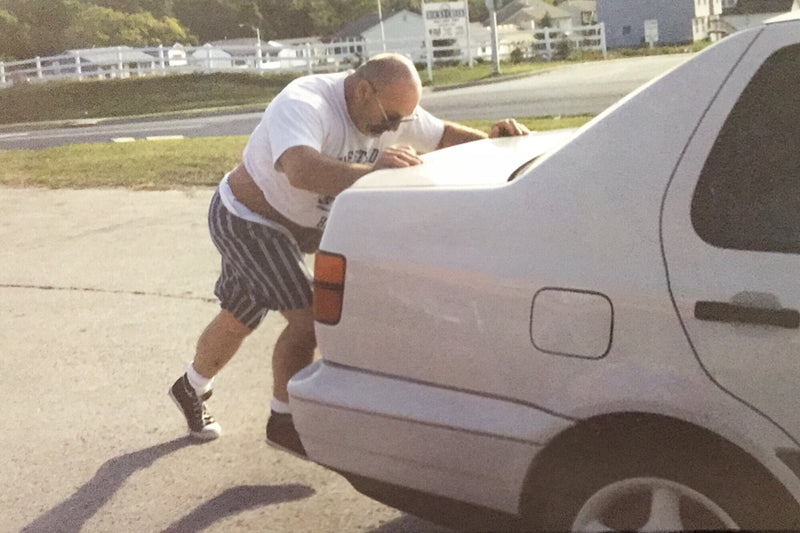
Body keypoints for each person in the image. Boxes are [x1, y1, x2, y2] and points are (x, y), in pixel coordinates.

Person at [169, 53, 529, 457]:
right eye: (390, 119)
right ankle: (284, 423)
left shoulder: (390, 106)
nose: (394, 129)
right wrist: (373, 173)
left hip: (303, 227)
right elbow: (301, 170)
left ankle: (190, 387)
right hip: (248, 219)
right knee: (311, 317)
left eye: (402, 121)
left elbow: (443, 135)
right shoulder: (305, 102)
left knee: (239, 317)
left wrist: (498, 142)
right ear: (362, 91)